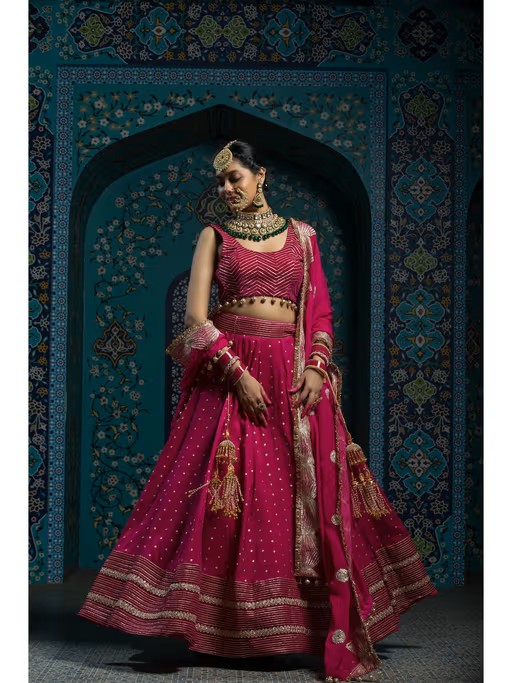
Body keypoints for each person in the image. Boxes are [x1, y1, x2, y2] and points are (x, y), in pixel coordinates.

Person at [77, 140, 437, 682]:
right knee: (230, 499)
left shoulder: (304, 237)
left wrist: (316, 367)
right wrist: (237, 375)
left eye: (235, 178)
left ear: (260, 175)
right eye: (220, 182)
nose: (227, 189)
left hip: (293, 380)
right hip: (231, 378)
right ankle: (221, 627)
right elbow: (196, 319)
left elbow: (320, 314)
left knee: (293, 499)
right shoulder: (214, 237)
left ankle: (297, 627)